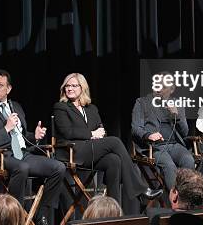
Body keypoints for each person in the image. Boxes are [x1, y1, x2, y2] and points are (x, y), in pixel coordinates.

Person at [52, 73, 162, 213]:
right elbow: (68, 132)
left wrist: (99, 134)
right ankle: (140, 190)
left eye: (74, 85)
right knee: (115, 142)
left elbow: (100, 128)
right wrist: (92, 134)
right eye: (67, 85)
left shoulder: (91, 109)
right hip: (73, 152)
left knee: (114, 160)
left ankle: (112, 212)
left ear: (82, 88)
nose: (70, 88)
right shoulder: (61, 107)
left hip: (90, 150)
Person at [0, 69, 65, 225]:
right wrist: (5, 129)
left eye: (0, 85)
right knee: (22, 167)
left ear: (8, 89)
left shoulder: (16, 107)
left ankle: (41, 214)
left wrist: (33, 136)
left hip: (23, 154)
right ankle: (14, 217)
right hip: (0, 157)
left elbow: (20, 136)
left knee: (59, 167)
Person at [131, 73, 195, 190]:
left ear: (172, 89)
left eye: (163, 86)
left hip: (174, 145)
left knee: (189, 160)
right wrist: (149, 135)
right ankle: (175, 202)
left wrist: (177, 115)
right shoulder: (142, 103)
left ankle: (187, 198)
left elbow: (185, 132)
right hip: (154, 147)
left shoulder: (177, 103)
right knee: (169, 166)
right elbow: (136, 128)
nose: (159, 89)